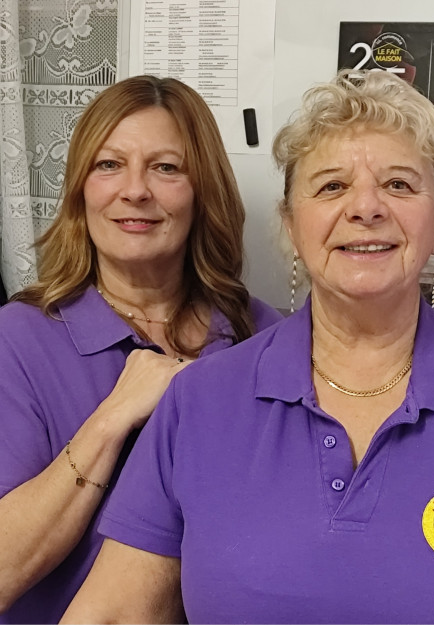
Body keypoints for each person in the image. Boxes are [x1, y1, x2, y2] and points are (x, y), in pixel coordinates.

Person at [63, 69, 434, 624]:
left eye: (398, 184)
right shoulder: (200, 401)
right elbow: (112, 615)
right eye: (332, 186)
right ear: (291, 224)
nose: (366, 208)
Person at [0, 75, 282, 623]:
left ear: (203, 190)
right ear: (80, 190)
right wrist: (113, 418)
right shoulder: (20, 338)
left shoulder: (263, 336)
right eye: (109, 165)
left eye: (166, 167)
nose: (135, 190)